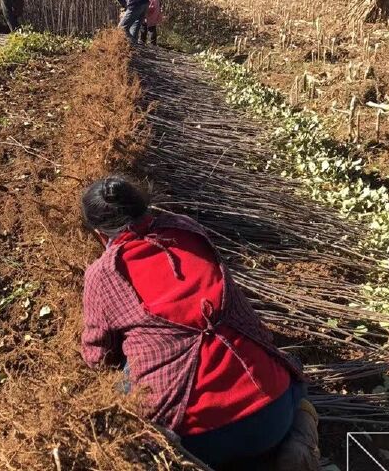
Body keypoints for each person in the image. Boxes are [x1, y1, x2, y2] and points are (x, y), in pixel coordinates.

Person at [81, 176, 321, 471]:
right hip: (272, 415)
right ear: (146, 208)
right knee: (290, 374)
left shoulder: (103, 275)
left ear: (99, 234)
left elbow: (98, 356)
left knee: (123, 384)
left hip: (196, 439)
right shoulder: (187, 229)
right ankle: (298, 440)